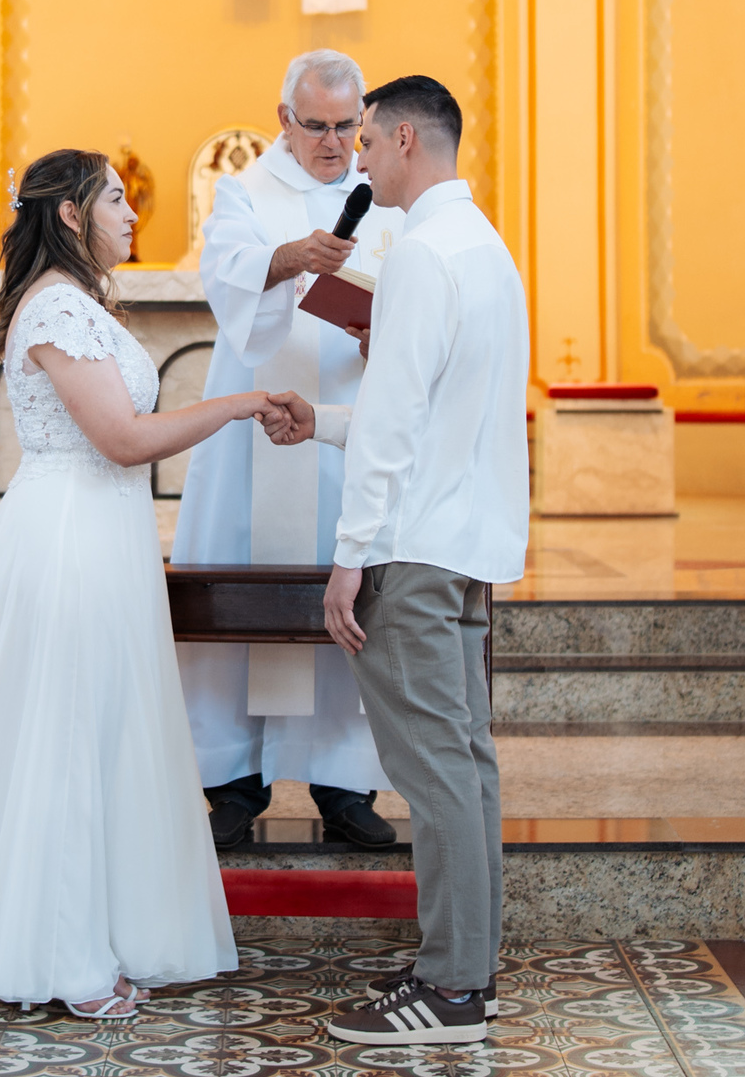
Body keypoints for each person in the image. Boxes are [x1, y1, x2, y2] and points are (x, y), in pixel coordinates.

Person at [0, 149, 276, 1019]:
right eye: (114, 199)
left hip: (98, 531)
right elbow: (121, 438)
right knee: (67, 736)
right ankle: (63, 957)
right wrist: (239, 404)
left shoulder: (79, 302)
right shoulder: (60, 305)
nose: (131, 213)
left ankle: (81, 931)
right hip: (70, 535)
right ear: (71, 215)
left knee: (91, 731)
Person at [262, 76, 530, 1049]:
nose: (361, 159)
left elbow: (398, 425)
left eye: (370, 139)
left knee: (435, 771)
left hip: (410, 549)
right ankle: (468, 970)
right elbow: (435, 416)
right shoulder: (488, 249)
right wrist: (324, 422)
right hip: (462, 543)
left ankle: (452, 989)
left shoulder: (421, 254)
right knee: (467, 762)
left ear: (408, 137)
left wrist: (349, 559)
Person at [172, 50, 404, 850]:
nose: (336, 143)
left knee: (346, 603)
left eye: (349, 126)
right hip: (254, 432)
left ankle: (345, 785)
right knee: (239, 593)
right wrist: (292, 258)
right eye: (318, 126)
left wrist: (390, 329)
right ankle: (233, 784)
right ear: (284, 120)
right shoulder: (245, 192)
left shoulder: (387, 194)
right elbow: (227, 274)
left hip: (344, 427)